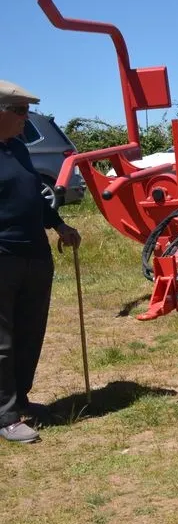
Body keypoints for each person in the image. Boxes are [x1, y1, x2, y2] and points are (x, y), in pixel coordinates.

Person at [0, 80, 81, 444]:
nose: (26, 118)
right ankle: (5, 415)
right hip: (3, 257)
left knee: (30, 332)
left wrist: (59, 225)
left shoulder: (17, 148)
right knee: (2, 340)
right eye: (19, 111)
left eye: (27, 111)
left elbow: (33, 196)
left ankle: (21, 399)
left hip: (35, 254)